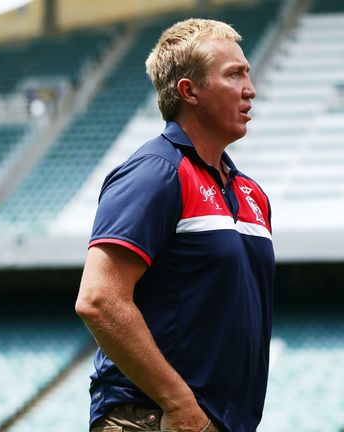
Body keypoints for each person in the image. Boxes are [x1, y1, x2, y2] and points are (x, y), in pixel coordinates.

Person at [75, 18, 274, 432]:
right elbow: (100, 299)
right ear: (189, 91)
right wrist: (180, 406)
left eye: (247, 73)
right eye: (234, 74)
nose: (250, 89)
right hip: (153, 419)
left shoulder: (252, 194)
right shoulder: (155, 171)